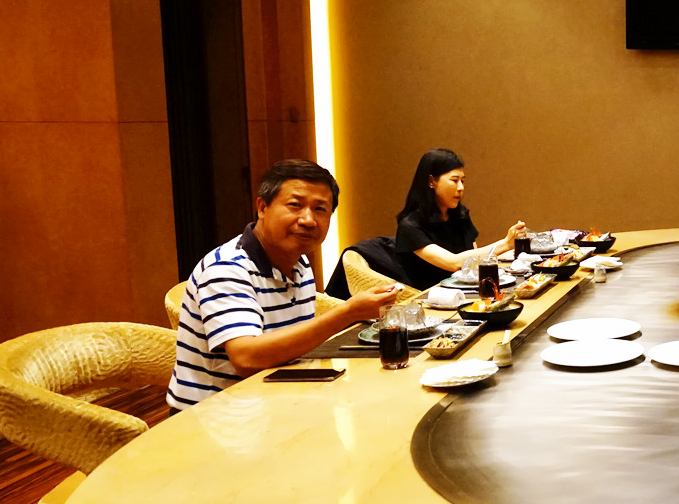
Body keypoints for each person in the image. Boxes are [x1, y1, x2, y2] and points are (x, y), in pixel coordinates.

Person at [168, 159, 398, 410]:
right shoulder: (227, 268)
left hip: (276, 399)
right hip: (215, 415)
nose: (308, 220)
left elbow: (292, 349)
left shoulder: (300, 263)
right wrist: (348, 313)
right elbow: (247, 358)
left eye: (320, 209)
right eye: (295, 205)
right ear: (262, 207)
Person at [393, 148, 526, 291]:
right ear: (431, 181)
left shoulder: (460, 216)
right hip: (432, 297)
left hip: (467, 291)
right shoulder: (410, 226)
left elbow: (474, 260)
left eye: (462, 181)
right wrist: (505, 244)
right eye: (454, 180)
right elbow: (453, 263)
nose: (461, 187)